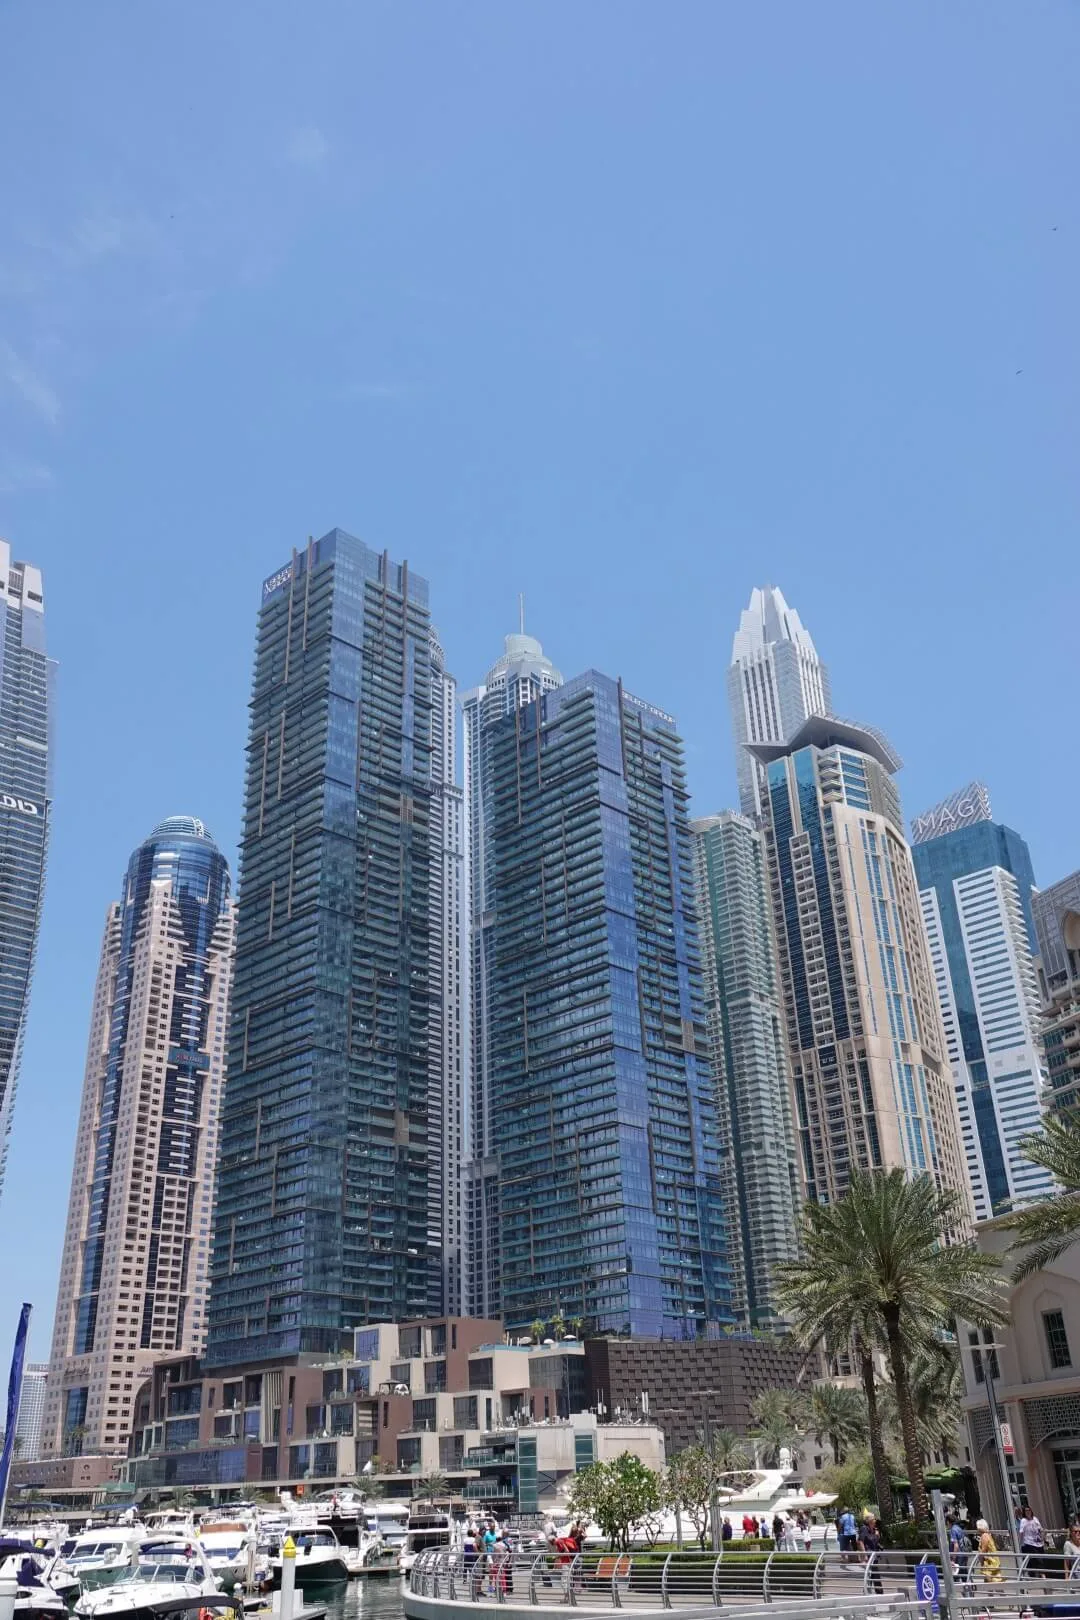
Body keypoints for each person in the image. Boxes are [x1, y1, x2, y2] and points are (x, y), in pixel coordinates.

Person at [1018, 1502, 1046, 1581]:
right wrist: (1021, 1542)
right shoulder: (1023, 1520)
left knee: (1041, 1559)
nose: (1028, 1512)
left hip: (1038, 1542)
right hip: (1029, 1543)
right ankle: (1043, 1576)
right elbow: (1021, 1532)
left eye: (1029, 1510)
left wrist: (1043, 1537)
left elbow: (1040, 1529)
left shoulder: (1035, 1519)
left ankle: (1038, 1574)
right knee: (1037, 1560)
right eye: (1026, 1511)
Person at [858, 1515, 883, 1594]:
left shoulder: (874, 1529)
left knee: (872, 1574)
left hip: (874, 1554)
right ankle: (879, 1593)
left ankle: (866, 1592)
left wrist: (877, 1535)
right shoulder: (864, 1529)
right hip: (869, 1555)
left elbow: (875, 1541)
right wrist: (864, 1554)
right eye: (874, 1519)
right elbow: (860, 1541)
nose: (875, 1521)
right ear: (870, 1521)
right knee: (875, 1574)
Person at [976, 1519, 1002, 1584]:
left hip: (990, 1562)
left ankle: (992, 1593)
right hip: (992, 1560)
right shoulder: (987, 1535)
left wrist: (979, 1559)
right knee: (994, 1580)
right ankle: (993, 1593)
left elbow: (983, 1550)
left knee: (991, 1581)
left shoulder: (984, 1536)